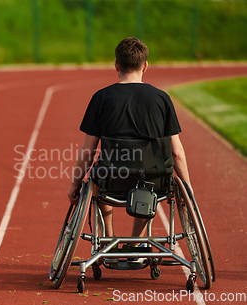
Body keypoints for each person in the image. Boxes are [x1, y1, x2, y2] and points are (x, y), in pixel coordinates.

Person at [67, 37, 191, 260]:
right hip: (153, 180)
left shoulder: (101, 98)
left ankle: (109, 237)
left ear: (116, 65)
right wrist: (188, 189)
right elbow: (177, 153)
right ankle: (139, 243)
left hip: (112, 180)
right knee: (149, 179)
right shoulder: (162, 99)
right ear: (145, 66)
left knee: (98, 174)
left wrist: (75, 183)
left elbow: (88, 151)